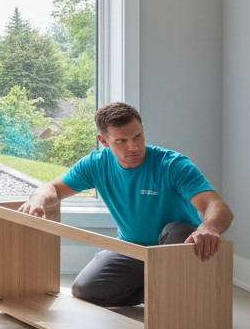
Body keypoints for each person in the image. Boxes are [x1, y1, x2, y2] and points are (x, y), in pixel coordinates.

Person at [18, 101, 233, 307]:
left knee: (176, 230)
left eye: (138, 136)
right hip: (132, 249)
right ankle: (158, 291)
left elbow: (218, 207)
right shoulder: (95, 165)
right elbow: (53, 188)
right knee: (84, 290)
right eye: (121, 141)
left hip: (178, 247)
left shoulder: (173, 165)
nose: (134, 147)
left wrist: (209, 227)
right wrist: (37, 199)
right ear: (104, 141)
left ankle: (173, 290)